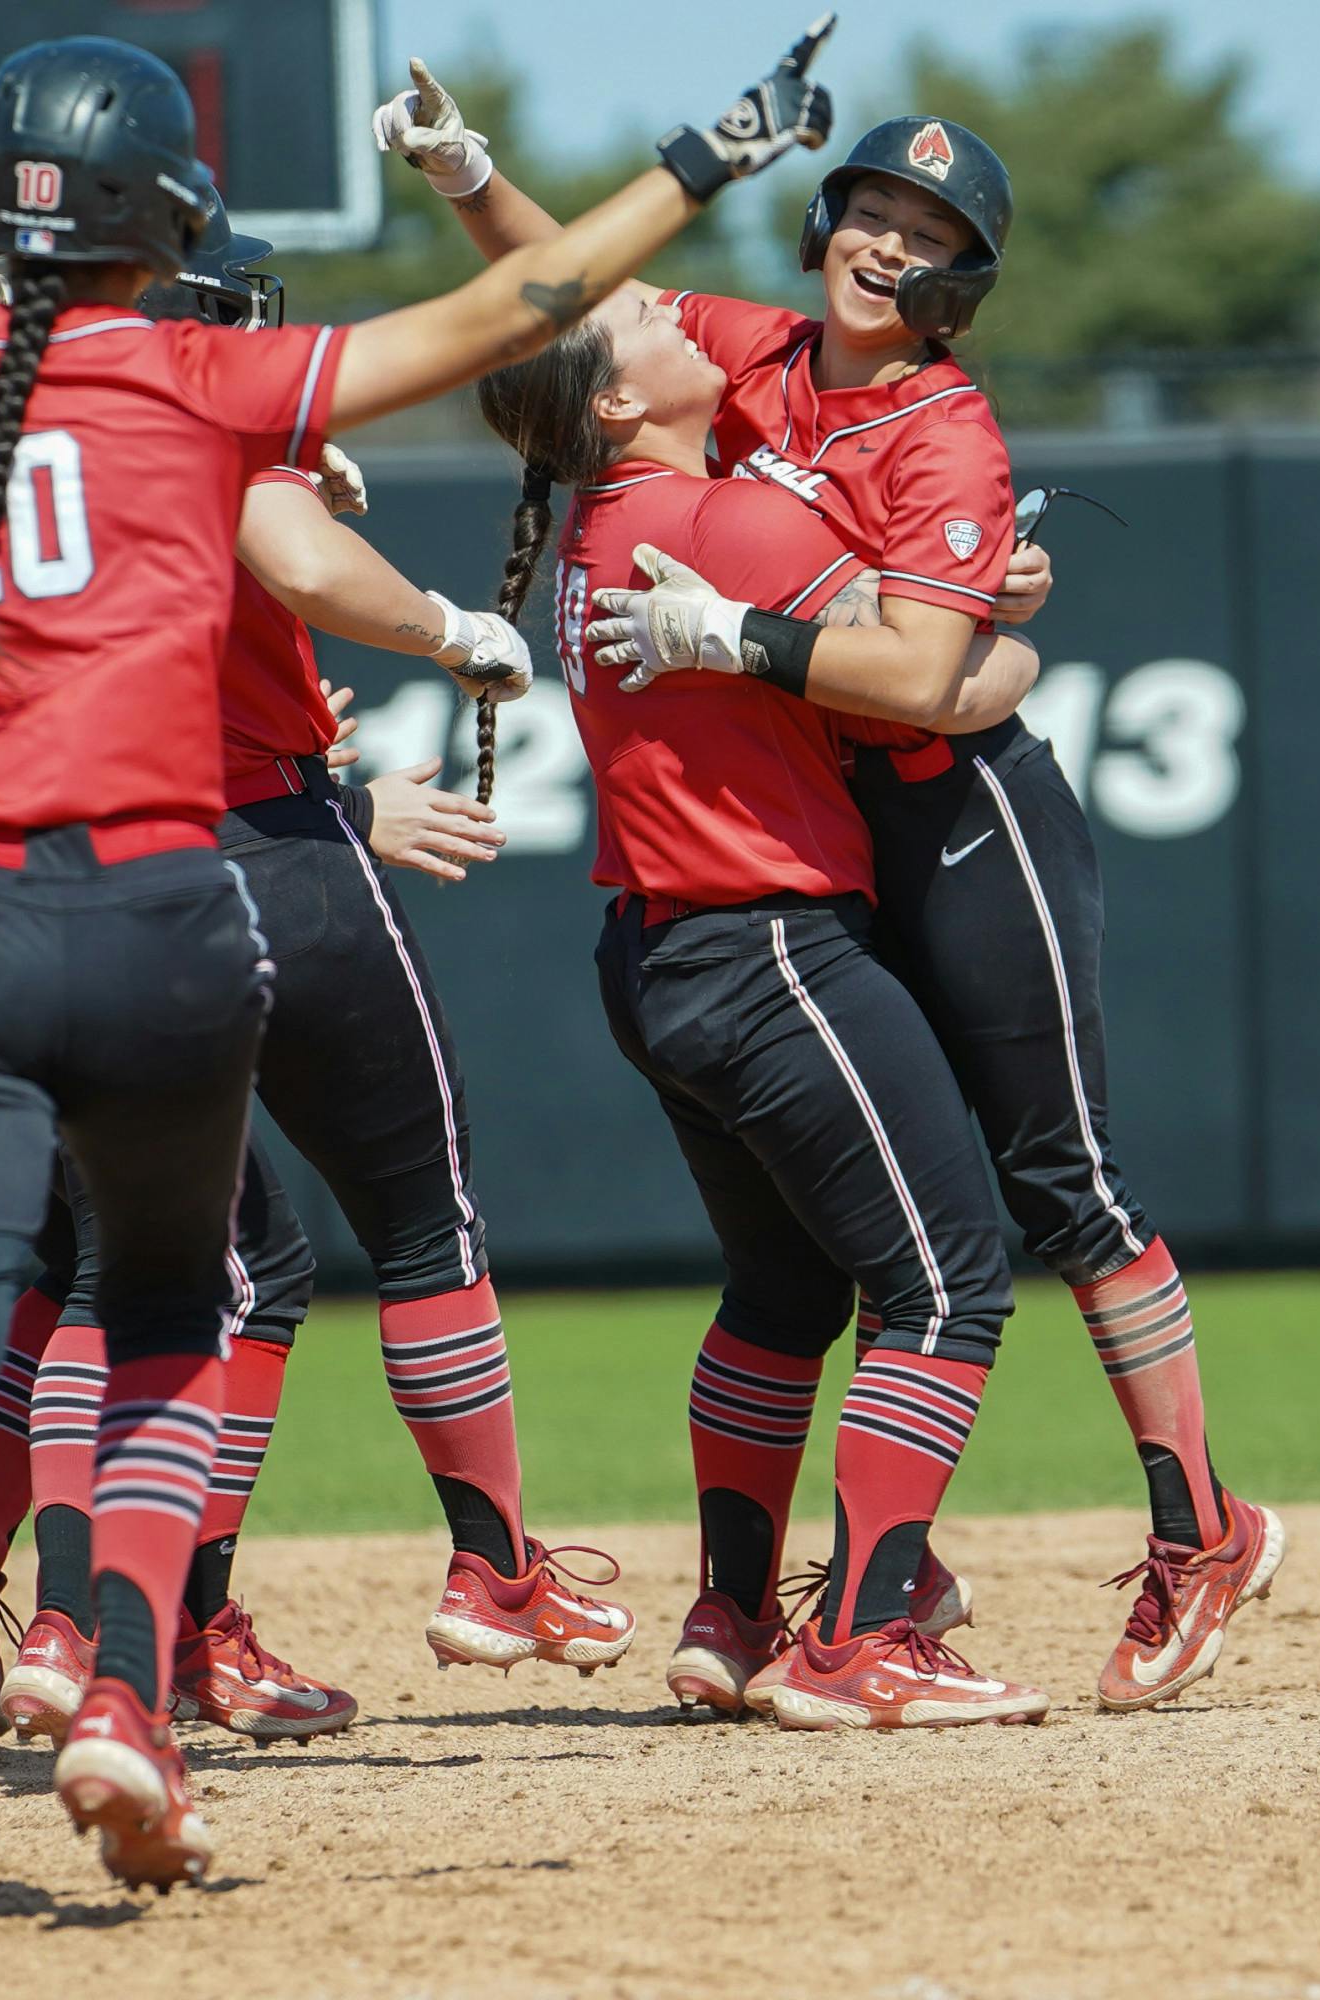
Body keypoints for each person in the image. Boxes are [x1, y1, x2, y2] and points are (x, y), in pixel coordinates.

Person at [0, 27, 837, 1946]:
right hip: (158, 908)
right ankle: (129, 1682)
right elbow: (515, 312)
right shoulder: (198, 382)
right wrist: (699, 159)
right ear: (160, 217)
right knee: (180, 1319)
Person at [380, 66, 1282, 1713]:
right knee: (851, 1257)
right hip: (819, 834)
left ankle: (1193, 1530)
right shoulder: (753, 356)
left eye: (924, 233)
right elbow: (582, 306)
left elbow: (945, 686)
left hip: (955, 819)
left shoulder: (943, 428)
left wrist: (821, 640)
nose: (882, 241)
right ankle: (822, 1595)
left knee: (1057, 1185)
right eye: (868, 208)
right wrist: (469, 174)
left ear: (960, 281)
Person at [0, 214, 635, 1753]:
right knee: (409, 1222)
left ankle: (69, 1612)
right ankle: (490, 1565)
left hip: (46, 876)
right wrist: (447, 630)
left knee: (123, 1263)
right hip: (255, 849)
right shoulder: (190, 406)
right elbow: (286, 547)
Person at [474, 277, 1053, 1729]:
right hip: (771, 949)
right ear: (615, 403)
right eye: (648, 333)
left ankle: (731, 1612)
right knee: (944, 1282)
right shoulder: (727, 521)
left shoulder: (604, 527)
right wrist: (1015, 624)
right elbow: (930, 681)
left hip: (656, 955)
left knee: (784, 1291)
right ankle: (862, 1639)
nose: (684, 326)